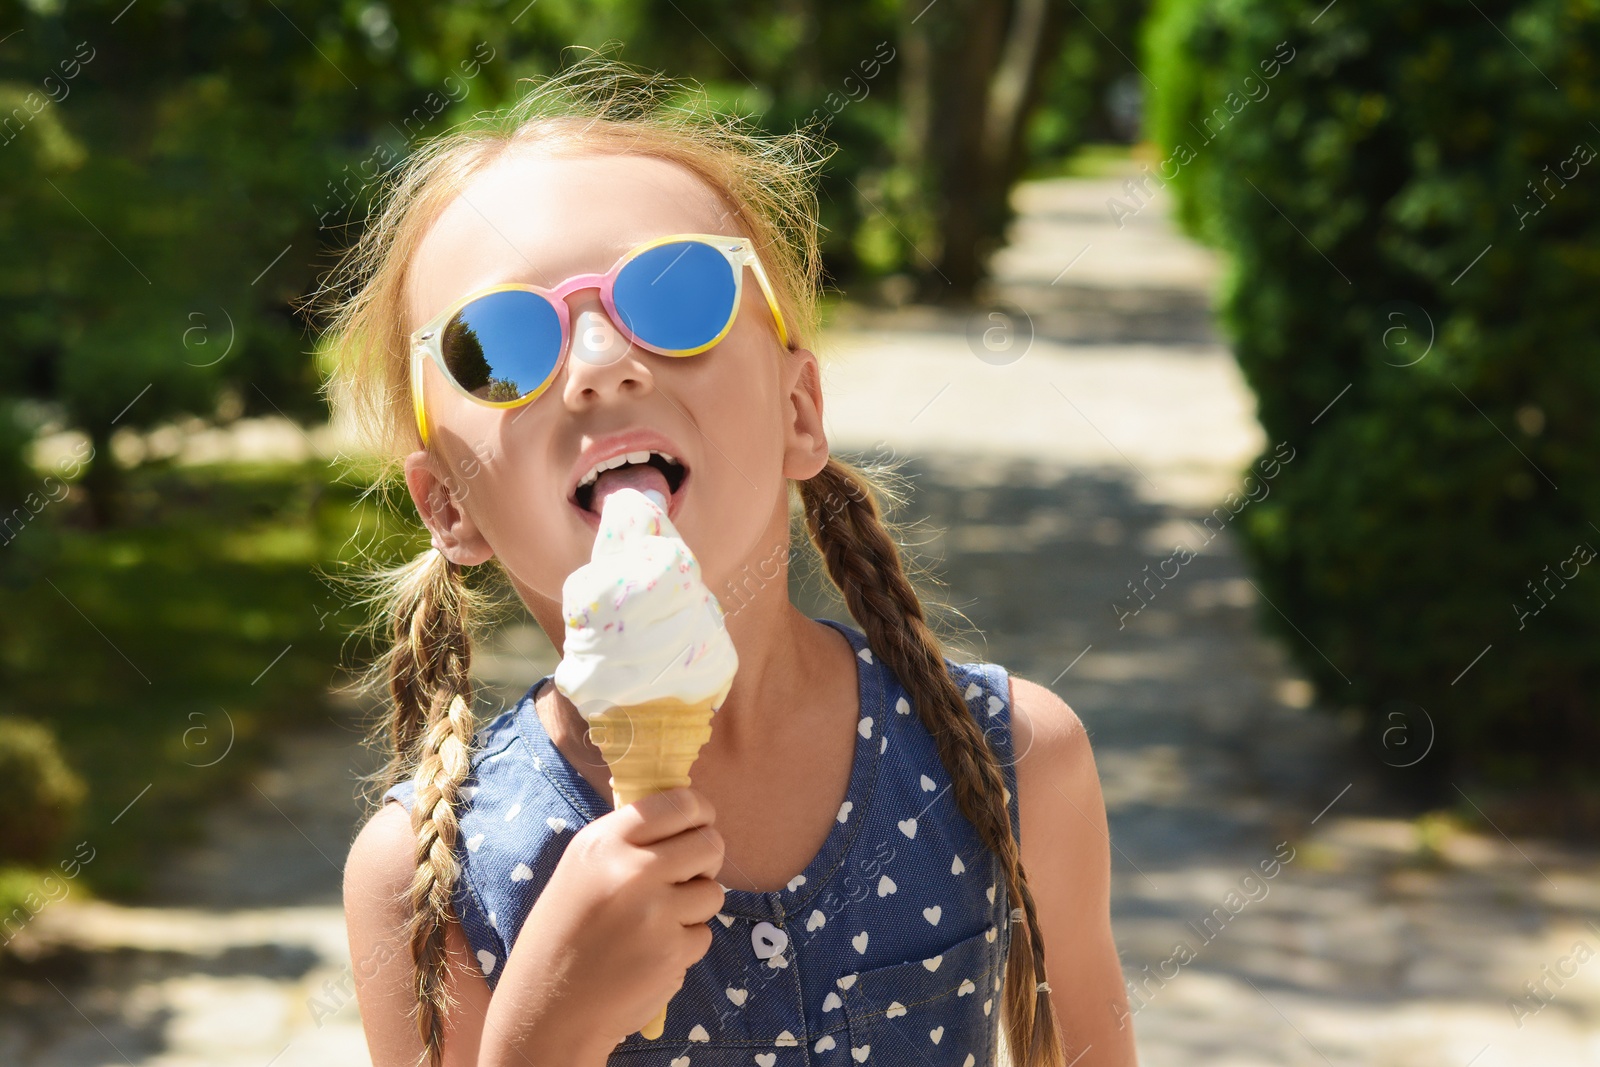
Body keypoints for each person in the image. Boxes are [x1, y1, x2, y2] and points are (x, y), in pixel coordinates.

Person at [323, 53, 1135, 1067]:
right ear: (449, 503)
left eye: (673, 294)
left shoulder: (1015, 759)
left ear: (799, 410)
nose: (599, 365)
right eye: (499, 345)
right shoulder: (424, 879)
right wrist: (547, 1030)